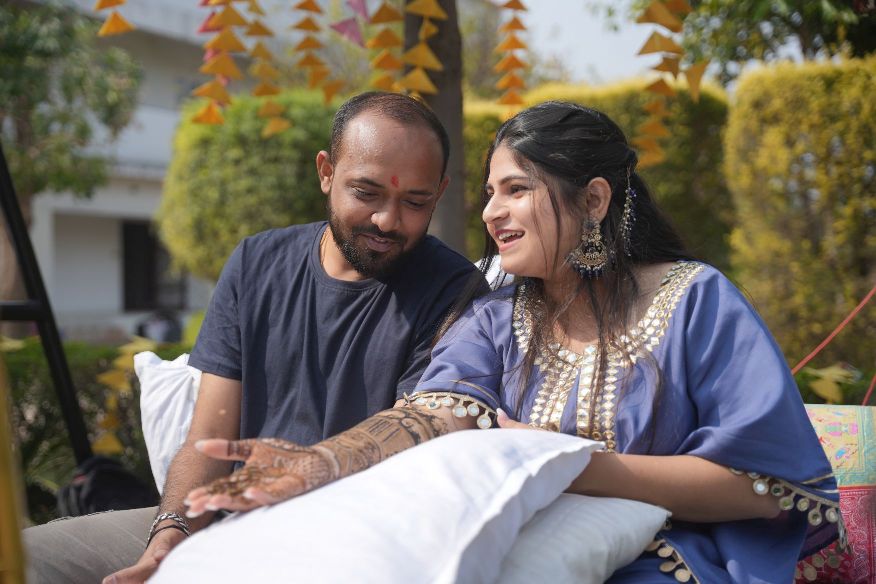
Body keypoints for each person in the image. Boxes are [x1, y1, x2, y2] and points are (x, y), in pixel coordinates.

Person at [186, 101, 844, 583]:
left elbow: (767, 486)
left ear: (593, 200)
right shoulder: (495, 319)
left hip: (666, 564)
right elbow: (431, 415)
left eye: (516, 190)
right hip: (517, 558)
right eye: (489, 193)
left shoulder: (695, 300)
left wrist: (562, 464)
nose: (490, 212)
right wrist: (324, 461)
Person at [23, 91, 485, 584]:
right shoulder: (256, 262)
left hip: (348, 546)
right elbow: (209, 439)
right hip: (223, 520)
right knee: (28, 557)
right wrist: (170, 537)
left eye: (415, 201)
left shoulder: (457, 293)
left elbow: (417, 445)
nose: (387, 220)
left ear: (439, 192)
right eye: (366, 193)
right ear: (326, 172)